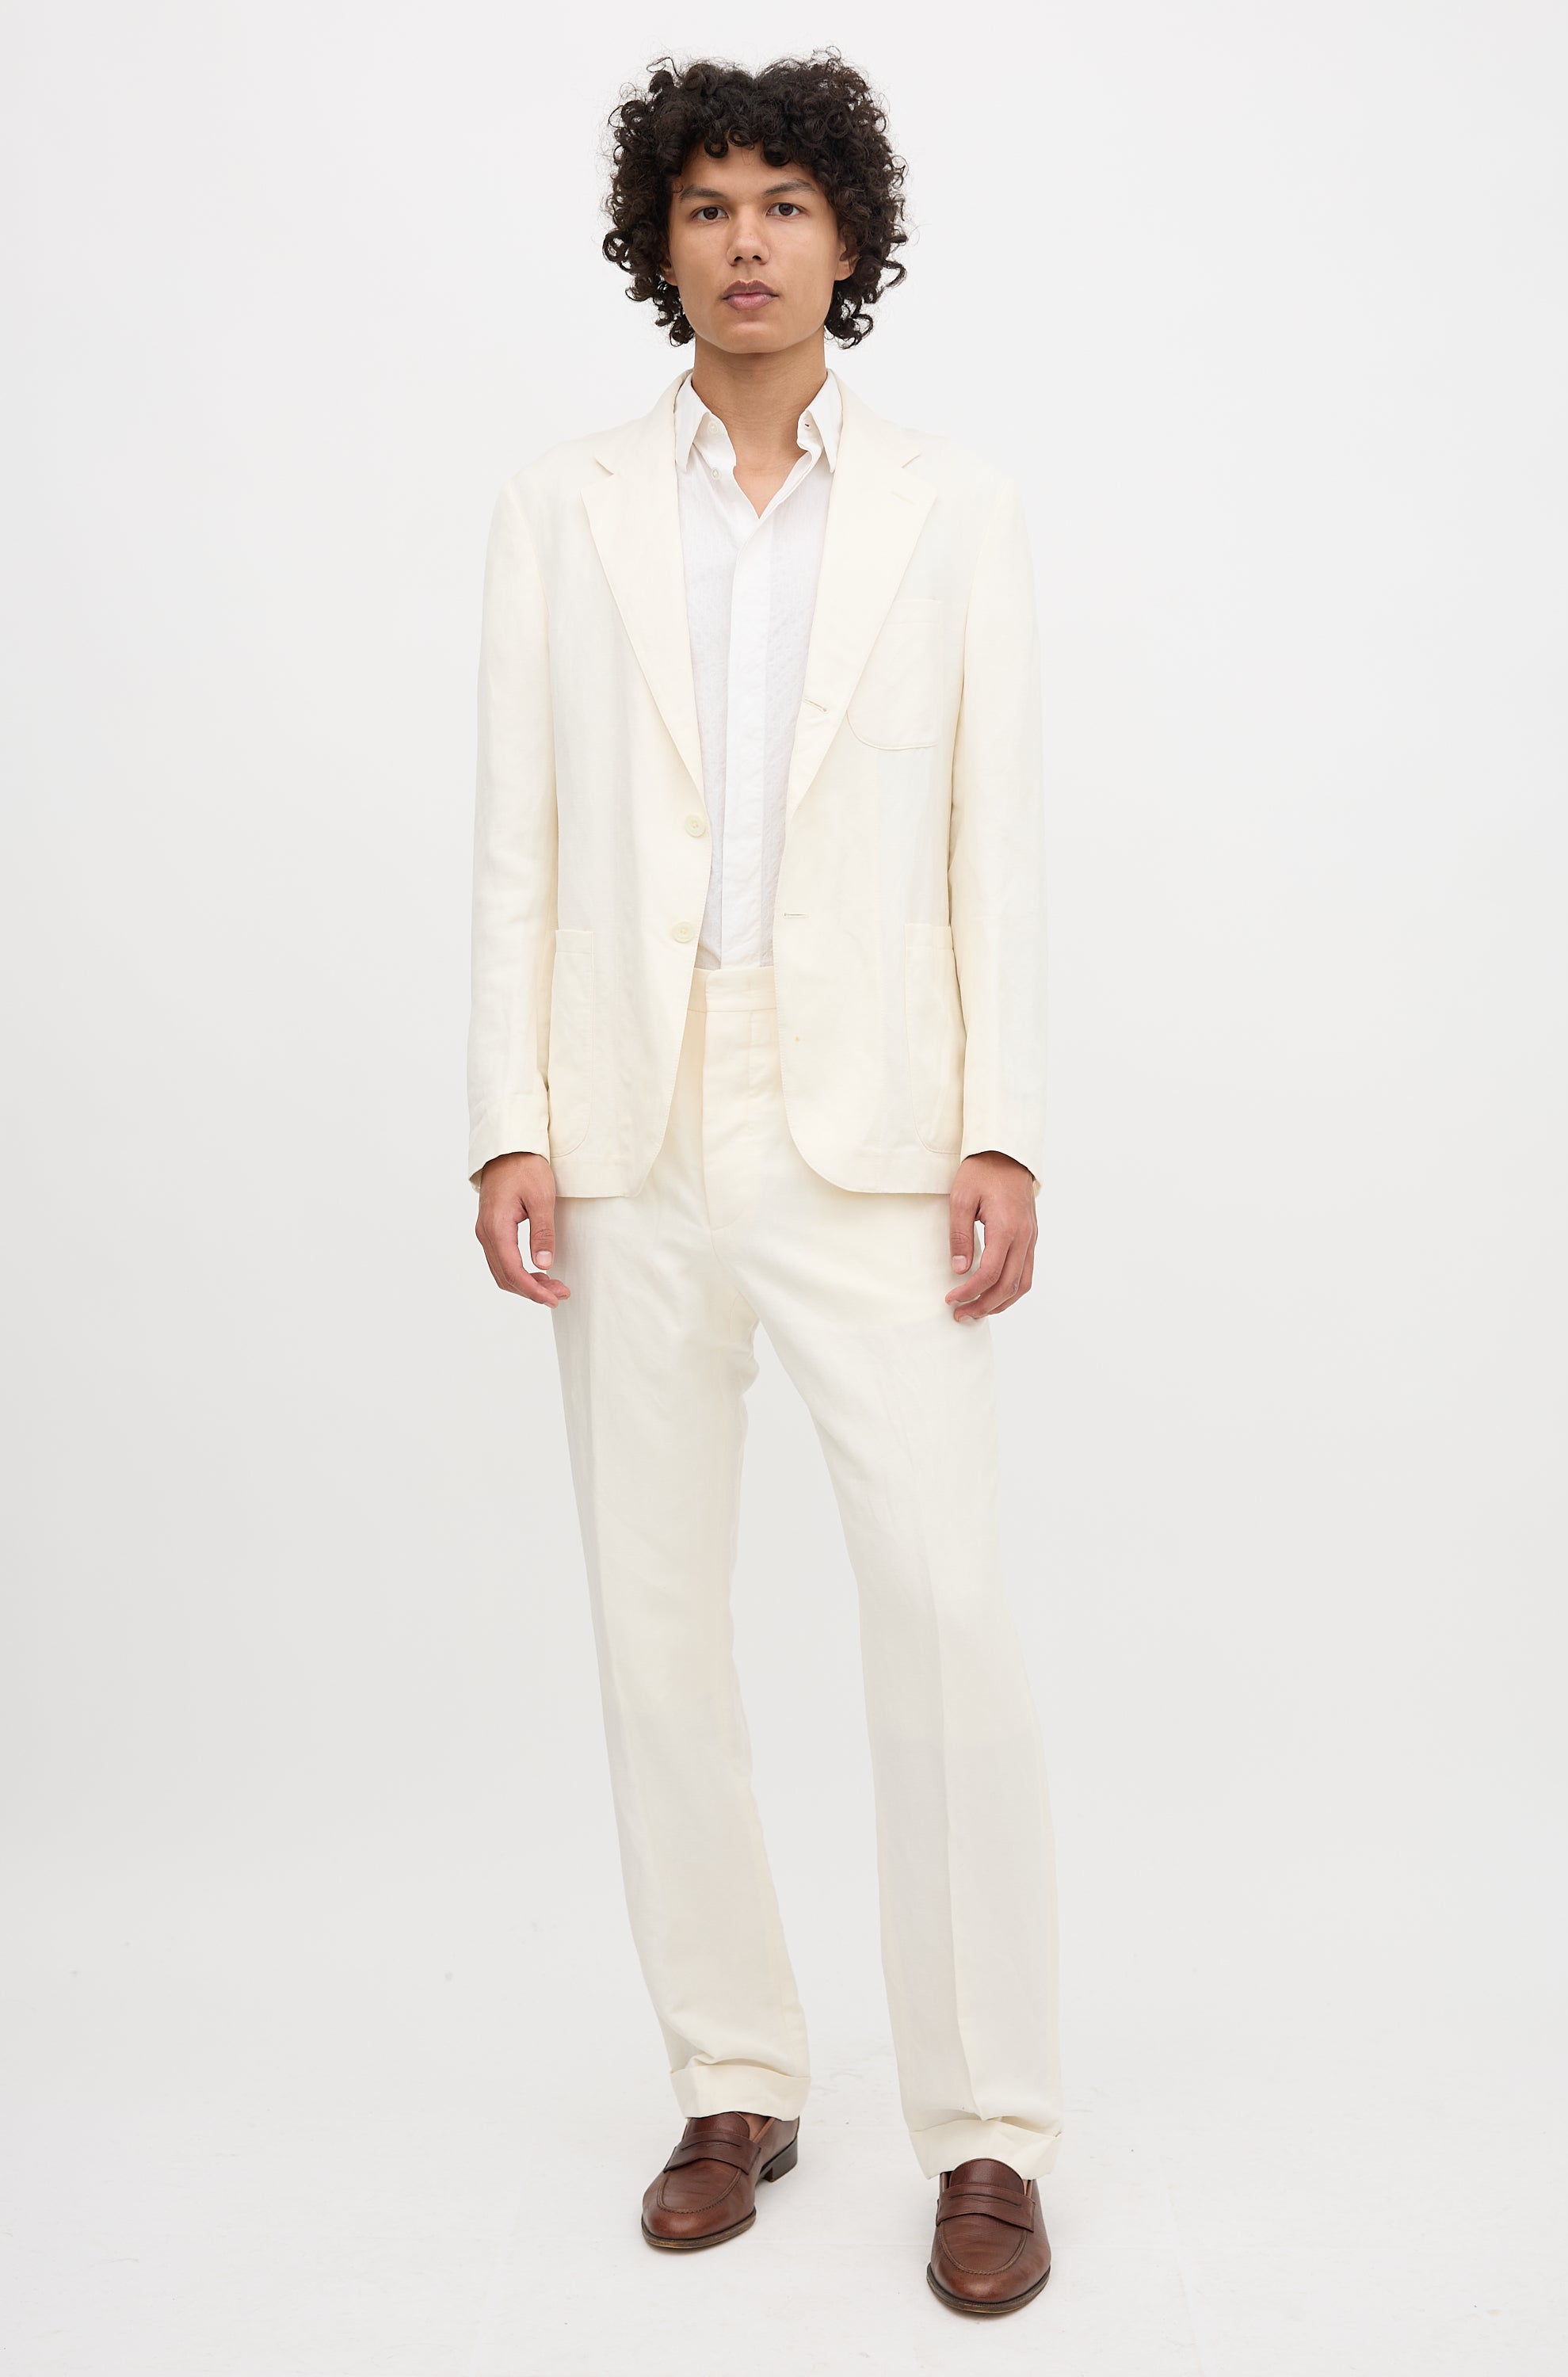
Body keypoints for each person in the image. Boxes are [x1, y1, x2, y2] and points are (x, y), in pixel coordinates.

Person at [467, 50, 1061, 2316]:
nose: (746, 240)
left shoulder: (952, 509)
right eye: (708, 203)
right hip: (628, 1121)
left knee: (945, 1611)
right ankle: (734, 2076)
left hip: (875, 1126)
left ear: (847, 241)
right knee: (656, 1624)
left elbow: (993, 834)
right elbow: (517, 832)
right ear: (662, 239)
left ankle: (989, 2129)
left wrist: (1003, 1121)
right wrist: (507, 1116)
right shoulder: (561, 509)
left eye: (785, 203)